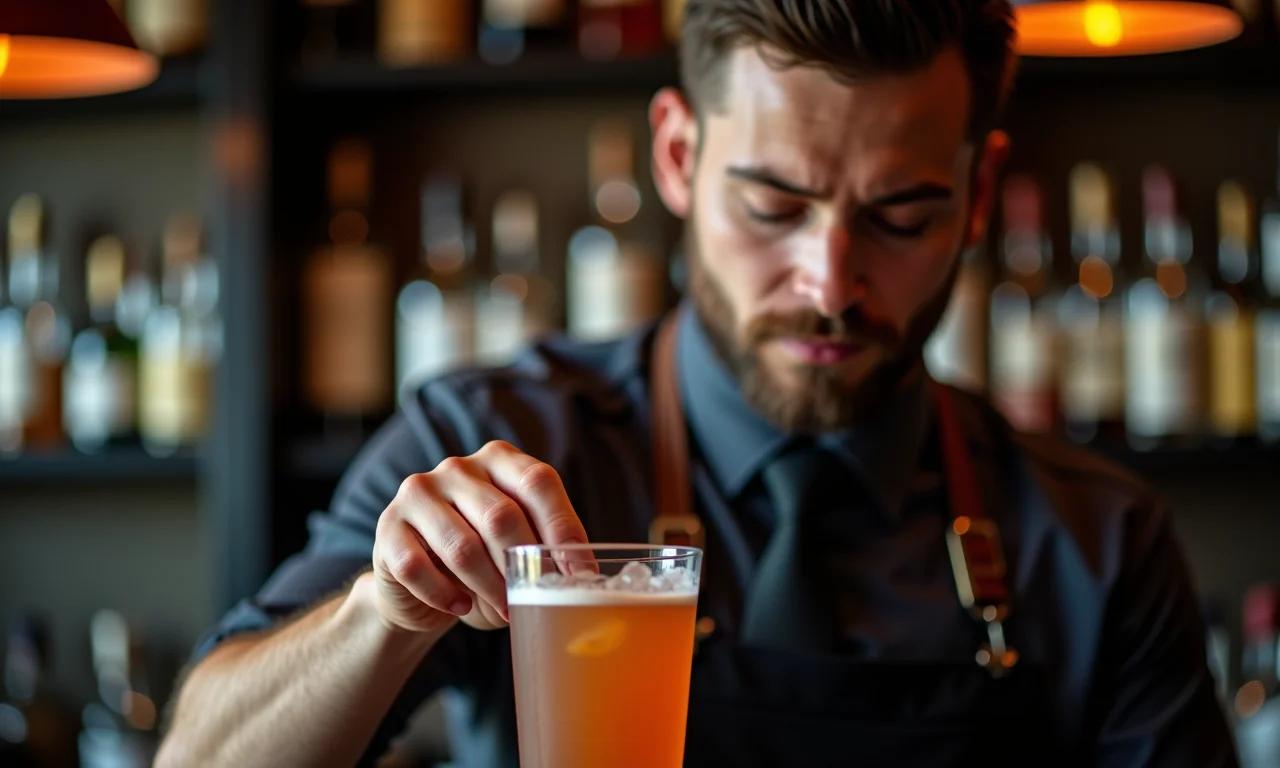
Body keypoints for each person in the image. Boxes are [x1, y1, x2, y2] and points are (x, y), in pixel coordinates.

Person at [156, 0, 1238, 765]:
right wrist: (381, 614)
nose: (827, 283)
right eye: (771, 207)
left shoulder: (1097, 542)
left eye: (899, 216)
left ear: (979, 188)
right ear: (675, 157)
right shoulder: (491, 434)